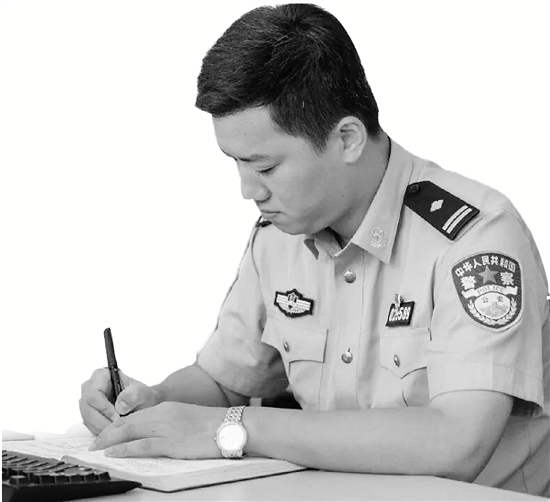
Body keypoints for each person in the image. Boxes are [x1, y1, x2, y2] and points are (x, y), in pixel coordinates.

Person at [79, 3, 549, 496]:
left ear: (347, 139)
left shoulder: (475, 239)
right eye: (235, 162)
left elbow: (458, 443)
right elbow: (224, 381)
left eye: (265, 167)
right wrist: (152, 404)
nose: (247, 190)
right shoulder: (278, 237)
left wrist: (231, 429)